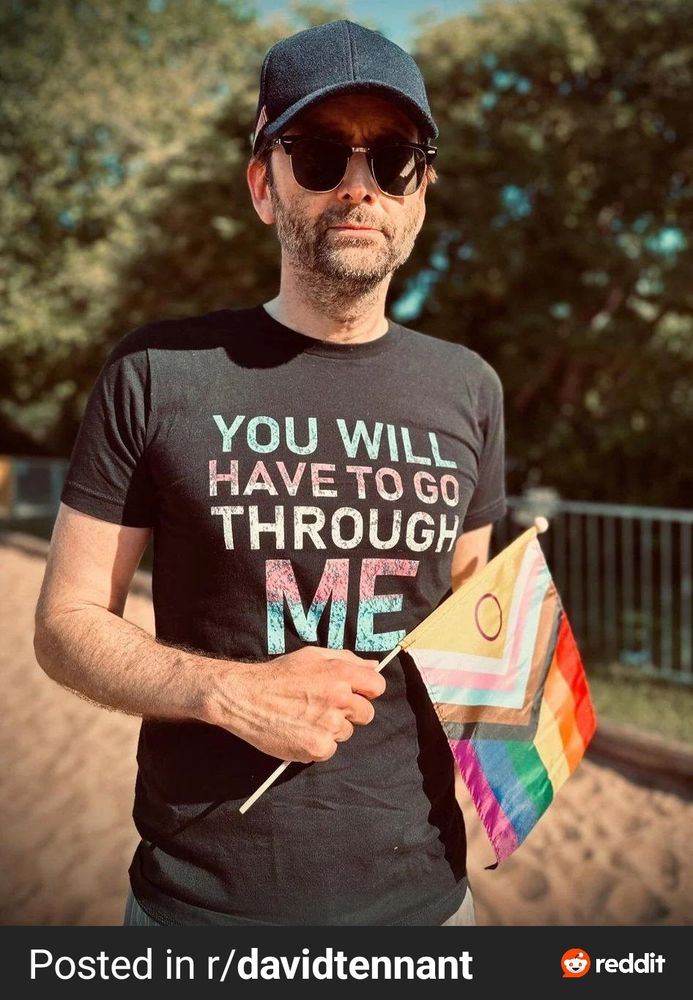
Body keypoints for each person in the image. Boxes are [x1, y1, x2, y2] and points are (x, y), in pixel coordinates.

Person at [34, 19, 506, 927]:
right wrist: (227, 692)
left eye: (395, 159)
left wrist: (518, 743)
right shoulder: (156, 372)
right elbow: (64, 623)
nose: (359, 186)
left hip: (428, 904)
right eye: (320, 154)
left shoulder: (470, 388)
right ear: (263, 184)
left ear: (421, 192)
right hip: (201, 913)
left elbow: (468, 601)